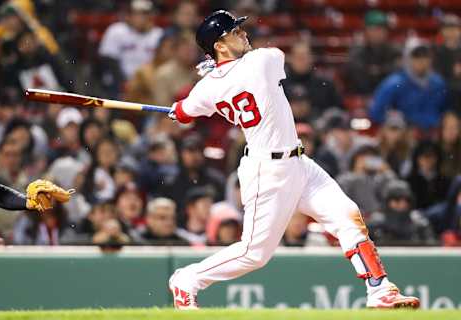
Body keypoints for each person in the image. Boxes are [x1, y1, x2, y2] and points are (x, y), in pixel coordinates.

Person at [166, 10, 419, 309]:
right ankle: (187, 279)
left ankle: (379, 289)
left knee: (346, 214)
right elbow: (270, 57)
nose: (243, 33)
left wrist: (185, 101)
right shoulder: (262, 61)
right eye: (234, 32)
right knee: (253, 254)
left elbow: (185, 112)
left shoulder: (206, 87)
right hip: (267, 170)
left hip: (299, 162)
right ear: (219, 46)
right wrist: (213, 74)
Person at [369, 39, 447, 131]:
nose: (421, 61)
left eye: (425, 56)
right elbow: (376, 112)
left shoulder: (438, 83)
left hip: (434, 134)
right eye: (416, 56)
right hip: (405, 135)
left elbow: (446, 111)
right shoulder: (395, 83)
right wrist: (396, 122)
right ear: (407, 59)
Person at [98, 0, 163, 79]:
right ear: (129, 15)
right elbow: (108, 58)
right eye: (136, 14)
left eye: (144, 14)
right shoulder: (117, 30)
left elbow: (163, 61)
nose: (140, 18)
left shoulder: (159, 34)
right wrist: (122, 81)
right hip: (119, 78)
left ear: (151, 16)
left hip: (149, 81)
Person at [344, 10, 399, 95]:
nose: (377, 33)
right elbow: (357, 78)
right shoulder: (357, 52)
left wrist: (378, 71)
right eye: (373, 29)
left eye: (380, 29)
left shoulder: (395, 51)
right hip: (362, 96)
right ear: (366, 31)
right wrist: (382, 71)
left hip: (391, 97)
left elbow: (397, 75)